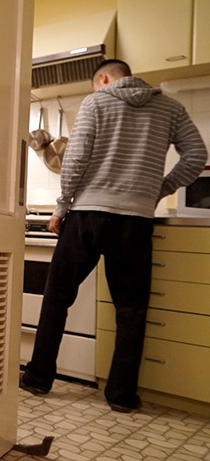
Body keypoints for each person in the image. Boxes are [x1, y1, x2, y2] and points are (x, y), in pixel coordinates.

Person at [20, 59, 207, 413]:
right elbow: (197, 155)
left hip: (88, 216)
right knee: (131, 309)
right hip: (135, 222)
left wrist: (61, 206)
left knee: (57, 296)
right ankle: (121, 395)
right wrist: (158, 189)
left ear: (103, 79)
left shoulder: (96, 101)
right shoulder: (170, 107)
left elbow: (75, 159)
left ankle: (38, 377)